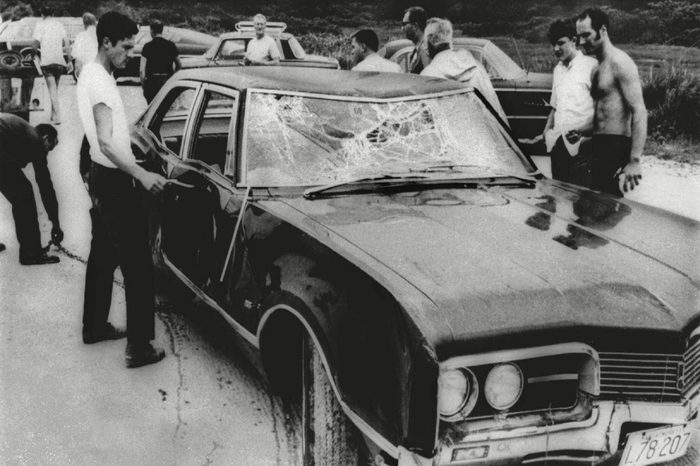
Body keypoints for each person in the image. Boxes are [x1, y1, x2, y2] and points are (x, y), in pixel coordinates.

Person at [77, 11, 167, 367]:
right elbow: (105, 140)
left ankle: (94, 326)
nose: (130, 54)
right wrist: (141, 176)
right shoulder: (99, 81)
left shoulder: (91, 73)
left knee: (102, 255)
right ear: (107, 43)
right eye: (126, 48)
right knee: (139, 265)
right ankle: (140, 347)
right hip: (113, 180)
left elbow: (104, 140)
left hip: (101, 176)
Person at [576, 8, 647, 197]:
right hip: (598, 144)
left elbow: (639, 111)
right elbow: (604, 112)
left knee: (606, 208)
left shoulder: (620, 63)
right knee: (591, 204)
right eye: (578, 37)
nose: (582, 42)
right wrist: (581, 130)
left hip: (616, 147)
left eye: (586, 35)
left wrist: (634, 160)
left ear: (603, 30)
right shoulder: (596, 69)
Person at [541, 19, 597, 188]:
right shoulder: (557, 70)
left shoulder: (591, 66)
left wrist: (584, 132)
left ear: (574, 41)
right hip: (557, 143)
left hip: (582, 146)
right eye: (553, 44)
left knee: (582, 201)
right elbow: (555, 106)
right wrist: (546, 131)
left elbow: (602, 109)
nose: (556, 49)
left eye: (561, 43)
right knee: (559, 195)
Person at [0, 113, 62, 265]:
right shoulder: (36, 141)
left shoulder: (24, 134)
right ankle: (31, 253)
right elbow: (45, 185)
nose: (48, 152)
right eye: (50, 147)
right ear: (46, 138)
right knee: (24, 195)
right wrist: (55, 222)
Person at [420, 18, 508, 124]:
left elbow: (426, 122)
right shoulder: (477, 67)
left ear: (429, 42)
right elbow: (496, 110)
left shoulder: (428, 75)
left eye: (424, 42)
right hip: (484, 137)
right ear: (449, 40)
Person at [32, 6, 67, 124]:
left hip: (47, 62)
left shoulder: (40, 25)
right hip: (60, 62)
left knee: (52, 91)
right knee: (55, 90)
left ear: (42, 14)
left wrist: (34, 53)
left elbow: (35, 43)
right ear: (53, 13)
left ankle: (58, 117)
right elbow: (66, 43)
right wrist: (69, 60)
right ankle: (53, 115)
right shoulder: (59, 25)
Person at [140, 19, 181, 103]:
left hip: (152, 83)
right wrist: (173, 77)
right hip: (166, 82)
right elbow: (179, 64)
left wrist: (144, 86)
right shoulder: (171, 45)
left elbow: (141, 71)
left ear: (151, 30)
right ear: (162, 30)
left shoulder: (147, 46)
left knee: (152, 111)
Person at [402, 6, 430, 74]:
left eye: (404, 24)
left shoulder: (427, 51)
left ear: (415, 26)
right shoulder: (416, 51)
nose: (402, 28)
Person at [71, 12, 98, 78]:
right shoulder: (101, 36)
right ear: (95, 22)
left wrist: (77, 70)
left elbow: (76, 56)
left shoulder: (81, 36)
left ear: (84, 23)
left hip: (85, 69)